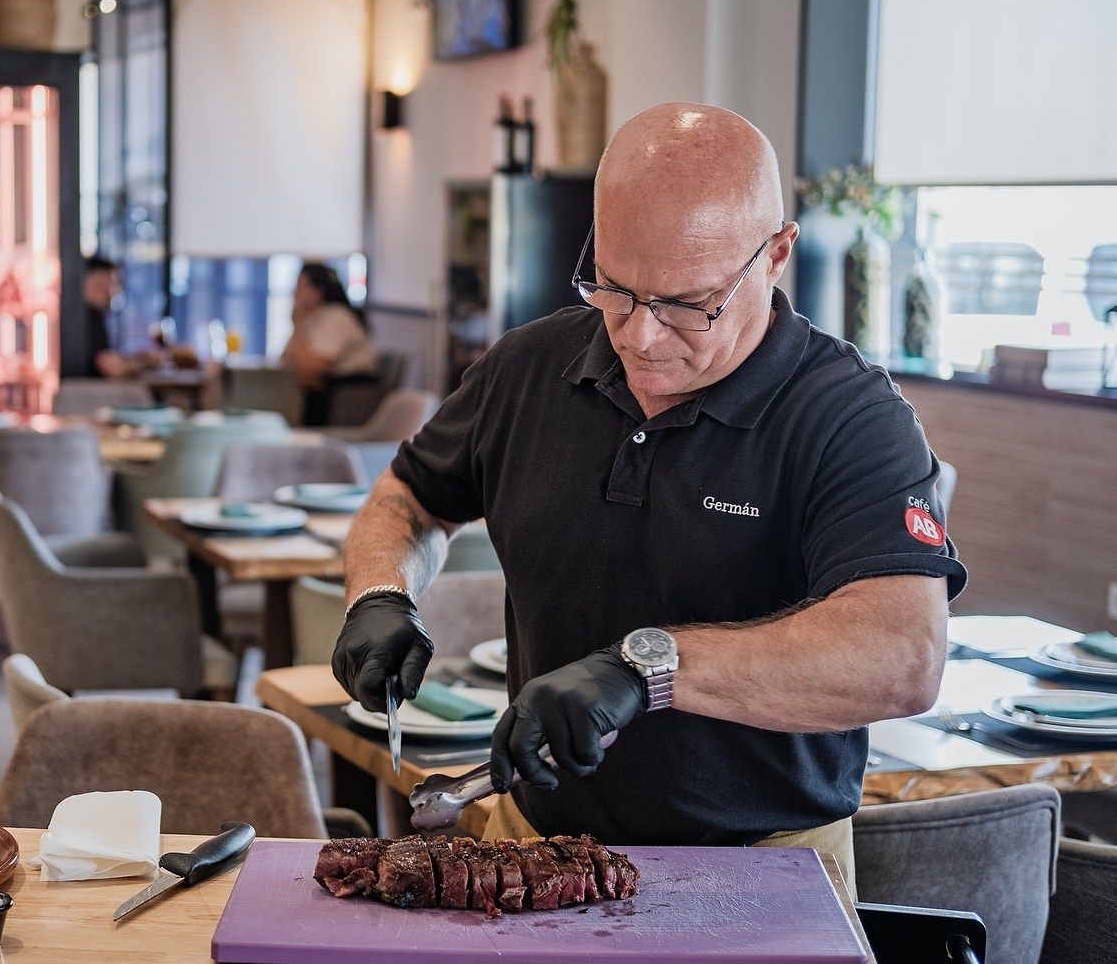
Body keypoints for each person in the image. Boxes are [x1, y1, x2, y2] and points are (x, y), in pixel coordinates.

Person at [330, 102, 965, 890]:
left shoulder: (850, 416)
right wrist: (381, 592)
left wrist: (649, 669)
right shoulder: (527, 369)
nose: (639, 335)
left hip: (768, 870)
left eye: (687, 303)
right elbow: (409, 499)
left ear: (775, 255)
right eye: (616, 288)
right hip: (534, 844)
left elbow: (904, 656)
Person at [279, 263, 377, 425]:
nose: (294, 294)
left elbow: (311, 368)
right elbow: (285, 360)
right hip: (326, 395)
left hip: (345, 398)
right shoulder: (311, 318)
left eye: (299, 287)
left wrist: (296, 323)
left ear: (317, 291)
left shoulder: (337, 316)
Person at [84, 255, 157, 380]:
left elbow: (104, 357)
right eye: (114, 284)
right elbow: (110, 367)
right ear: (98, 285)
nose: (117, 292)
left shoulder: (84, 316)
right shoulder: (91, 316)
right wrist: (148, 363)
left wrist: (142, 358)